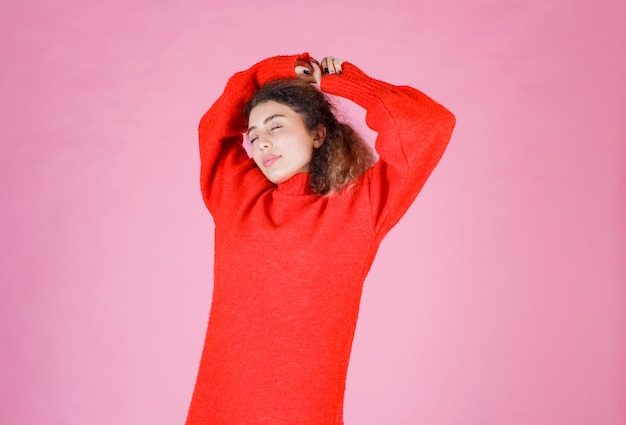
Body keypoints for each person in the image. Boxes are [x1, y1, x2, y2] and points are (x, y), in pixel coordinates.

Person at [185, 52, 456, 425]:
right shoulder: (237, 200)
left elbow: (429, 124)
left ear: (317, 133)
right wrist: (275, 71)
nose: (262, 142)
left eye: (276, 126)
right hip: (220, 412)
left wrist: (337, 82)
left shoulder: (359, 209)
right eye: (254, 135)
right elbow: (212, 128)